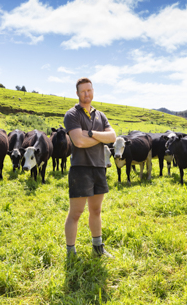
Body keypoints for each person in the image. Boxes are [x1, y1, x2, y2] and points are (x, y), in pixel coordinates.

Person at [63, 77, 117, 258]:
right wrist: (101, 138)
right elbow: (78, 141)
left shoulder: (100, 115)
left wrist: (92, 134)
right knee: (76, 213)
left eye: (89, 90)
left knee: (96, 210)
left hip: (99, 167)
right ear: (77, 93)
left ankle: (97, 248)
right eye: (83, 91)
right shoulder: (72, 114)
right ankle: (71, 252)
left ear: (93, 91)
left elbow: (113, 137)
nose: (87, 94)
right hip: (80, 168)